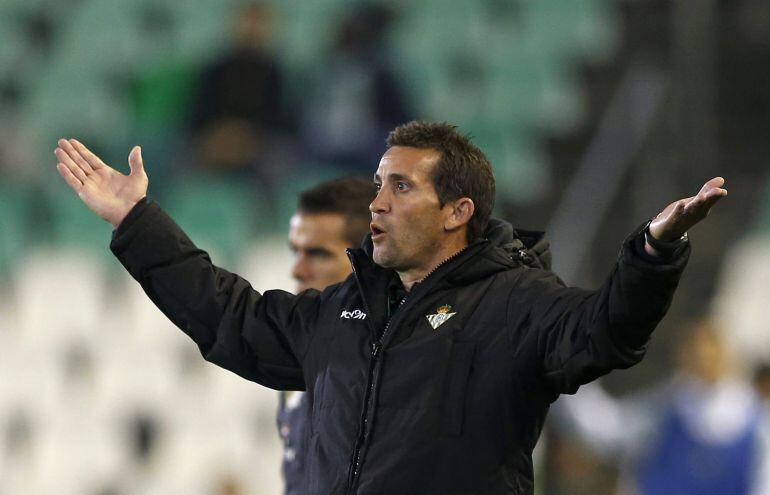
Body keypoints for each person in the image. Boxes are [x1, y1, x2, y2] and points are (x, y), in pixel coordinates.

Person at [53, 121, 726, 494]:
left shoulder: (517, 303)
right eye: (378, 184)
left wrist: (652, 252)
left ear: (457, 211)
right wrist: (136, 219)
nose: (376, 202)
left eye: (401, 186)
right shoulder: (345, 310)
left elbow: (604, 332)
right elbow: (231, 318)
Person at [552, 319, 770, 495]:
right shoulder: (669, 408)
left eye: (706, 355)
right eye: (692, 355)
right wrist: (565, 370)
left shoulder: (756, 423)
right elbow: (607, 428)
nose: (700, 362)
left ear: (724, 357)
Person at [279, 177, 376, 494]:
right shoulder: (300, 351)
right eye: (296, 252)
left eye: (318, 254)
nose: (298, 270)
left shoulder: (388, 371)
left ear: (367, 260)